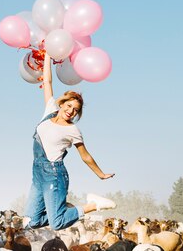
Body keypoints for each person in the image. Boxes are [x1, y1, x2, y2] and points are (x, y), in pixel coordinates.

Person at [25, 58, 116, 231]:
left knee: (57, 223)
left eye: (75, 110)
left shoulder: (72, 130)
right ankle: (65, 209)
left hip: (54, 174)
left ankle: (92, 205)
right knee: (31, 222)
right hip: (37, 173)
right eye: (69, 106)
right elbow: (47, 81)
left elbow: (85, 155)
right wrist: (46, 57)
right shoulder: (50, 109)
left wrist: (101, 174)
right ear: (62, 103)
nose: (70, 111)